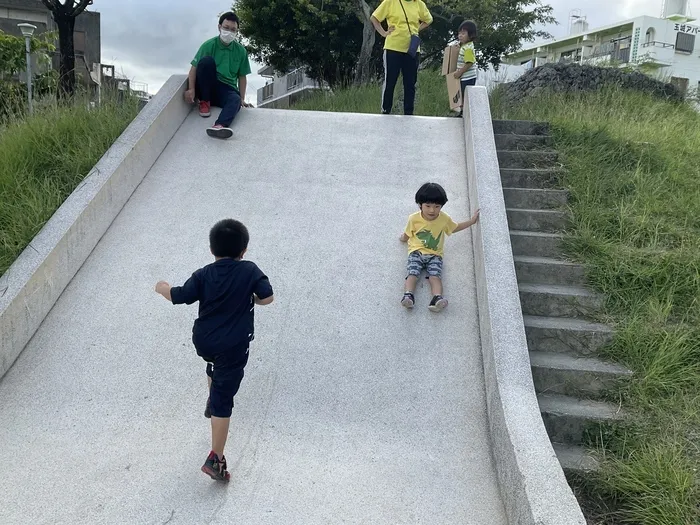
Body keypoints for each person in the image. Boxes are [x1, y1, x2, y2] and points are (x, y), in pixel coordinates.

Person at [155, 219, 274, 482]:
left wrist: (161, 287)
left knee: (213, 366)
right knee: (224, 399)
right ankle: (216, 459)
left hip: (204, 342)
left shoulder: (204, 274)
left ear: (212, 250)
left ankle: (212, 395)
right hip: (233, 346)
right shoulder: (249, 270)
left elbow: (179, 295)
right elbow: (267, 297)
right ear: (244, 250)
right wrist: (250, 299)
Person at [399, 183, 479, 311]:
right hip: (416, 252)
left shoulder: (444, 218)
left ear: (441, 206)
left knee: (435, 276)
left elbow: (454, 228)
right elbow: (407, 233)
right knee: (412, 273)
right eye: (428, 206)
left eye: (437, 206)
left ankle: (437, 298)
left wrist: (471, 221)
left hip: (435, 255)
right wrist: (402, 239)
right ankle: (408, 295)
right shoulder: (413, 218)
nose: (432, 210)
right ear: (420, 204)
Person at [185, 12, 253, 140]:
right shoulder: (209, 45)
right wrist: (191, 89)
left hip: (226, 90)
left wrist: (242, 98)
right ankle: (204, 102)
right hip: (208, 85)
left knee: (235, 99)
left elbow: (242, 76)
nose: (229, 32)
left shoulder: (241, 51)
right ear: (219, 27)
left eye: (233, 30)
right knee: (206, 62)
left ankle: (219, 126)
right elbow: (194, 68)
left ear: (237, 32)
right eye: (226, 28)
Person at [371, 0, 433, 115]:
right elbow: (374, 18)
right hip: (393, 47)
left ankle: (408, 113)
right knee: (390, 81)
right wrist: (383, 33)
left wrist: (416, 30)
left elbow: (429, 19)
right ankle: (385, 110)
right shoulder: (390, 2)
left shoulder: (419, 3)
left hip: (412, 49)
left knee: (410, 83)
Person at [453, 20, 478, 116]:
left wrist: (460, 72)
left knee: (464, 95)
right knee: (461, 94)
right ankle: (462, 112)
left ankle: (464, 113)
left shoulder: (468, 48)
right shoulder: (464, 46)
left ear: (471, 35)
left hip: (468, 77)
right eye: (459, 33)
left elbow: (469, 63)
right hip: (464, 76)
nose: (460, 36)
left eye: (463, 33)